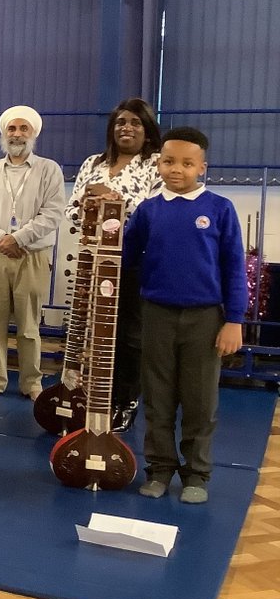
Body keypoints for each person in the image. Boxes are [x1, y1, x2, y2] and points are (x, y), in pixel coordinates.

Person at [124, 127, 246, 505]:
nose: (177, 169)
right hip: (156, 314)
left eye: (187, 163)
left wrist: (234, 320)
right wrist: (106, 228)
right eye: (169, 161)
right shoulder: (147, 211)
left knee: (199, 400)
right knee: (158, 397)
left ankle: (197, 473)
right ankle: (159, 469)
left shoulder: (219, 209)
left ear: (202, 168)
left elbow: (233, 267)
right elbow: (127, 259)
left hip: (206, 318)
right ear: (159, 163)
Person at [65, 97, 163, 430]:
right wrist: (89, 202)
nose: (127, 128)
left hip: (134, 263)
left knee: (128, 335)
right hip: (92, 261)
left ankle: (126, 399)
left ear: (147, 129)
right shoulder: (93, 162)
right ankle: (93, 398)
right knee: (93, 333)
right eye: (121, 121)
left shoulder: (156, 164)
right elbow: (72, 211)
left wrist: (117, 202)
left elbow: (155, 213)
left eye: (135, 122)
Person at [0, 106, 65, 400]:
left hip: (31, 255)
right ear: (3, 133)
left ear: (33, 133)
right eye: (12, 129)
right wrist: (0, 238)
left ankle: (32, 382)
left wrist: (18, 238)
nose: (17, 134)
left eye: (24, 129)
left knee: (29, 324)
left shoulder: (49, 169)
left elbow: (53, 212)